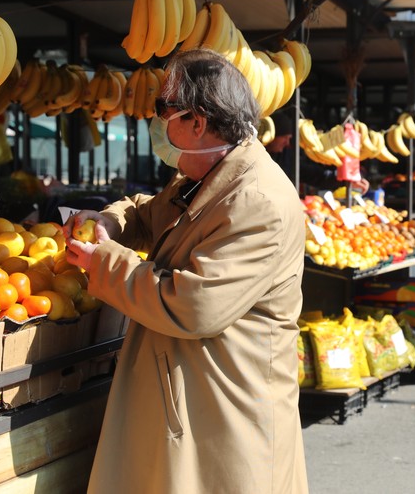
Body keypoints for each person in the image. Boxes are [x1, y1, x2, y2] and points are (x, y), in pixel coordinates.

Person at [62, 49, 308, 493]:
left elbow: (194, 305)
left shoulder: (257, 201)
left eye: (164, 108)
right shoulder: (203, 177)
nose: (157, 120)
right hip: (192, 399)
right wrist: (107, 223)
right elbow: (148, 215)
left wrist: (104, 262)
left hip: (224, 417)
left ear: (197, 122)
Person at [266, 113, 370, 195]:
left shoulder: (286, 156)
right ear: (273, 135)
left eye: (289, 138)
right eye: (285, 138)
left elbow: (315, 175)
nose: (287, 143)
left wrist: (343, 180)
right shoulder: (256, 155)